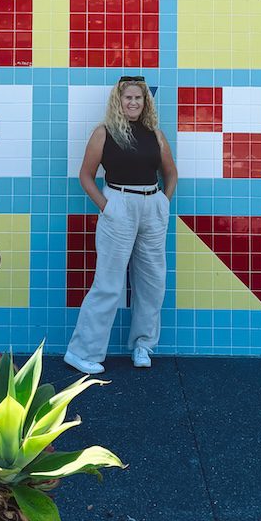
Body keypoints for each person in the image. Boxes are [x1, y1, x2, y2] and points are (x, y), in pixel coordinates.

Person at [64, 76, 177, 374]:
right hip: (119, 205)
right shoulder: (104, 133)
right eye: (128, 97)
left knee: (152, 282)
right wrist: (106, 206)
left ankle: (143, 345)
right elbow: (86, 175)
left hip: (151, 207)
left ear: (145, 102)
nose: (133, 103)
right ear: (118, 100)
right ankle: (82, 352)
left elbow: (171, 174)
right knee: (108, 283)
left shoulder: (156, 134)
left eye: (138, 98)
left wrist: (163, 202)